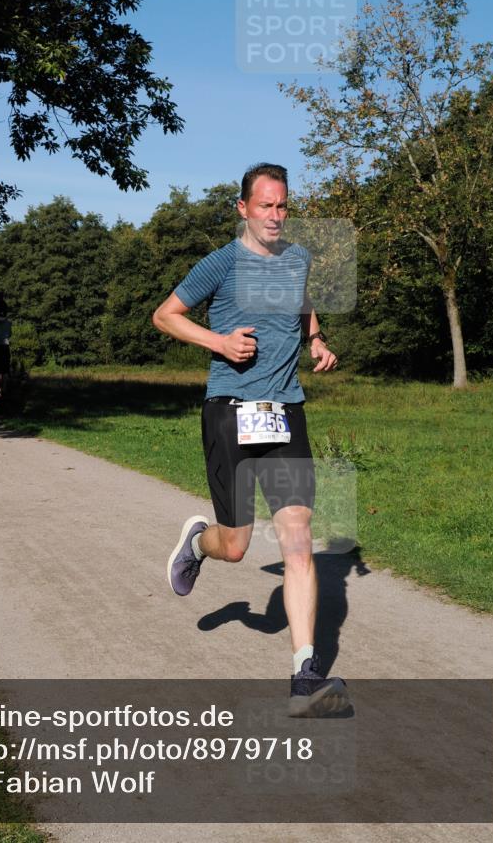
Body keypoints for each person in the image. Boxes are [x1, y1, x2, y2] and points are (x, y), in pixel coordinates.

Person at [153, 162, 349, 718]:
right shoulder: (222, 262)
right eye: (265, 206)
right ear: (243, 209)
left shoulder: (298, 259)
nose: (275, 216)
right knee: (236, 547)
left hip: (285, 411)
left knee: (297, 538)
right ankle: (198, 543)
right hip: (229, 412)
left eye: (283, 205)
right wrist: (218, 341)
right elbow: (164, 316)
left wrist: (316, 339)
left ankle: (305, 678)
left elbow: (303, 303)